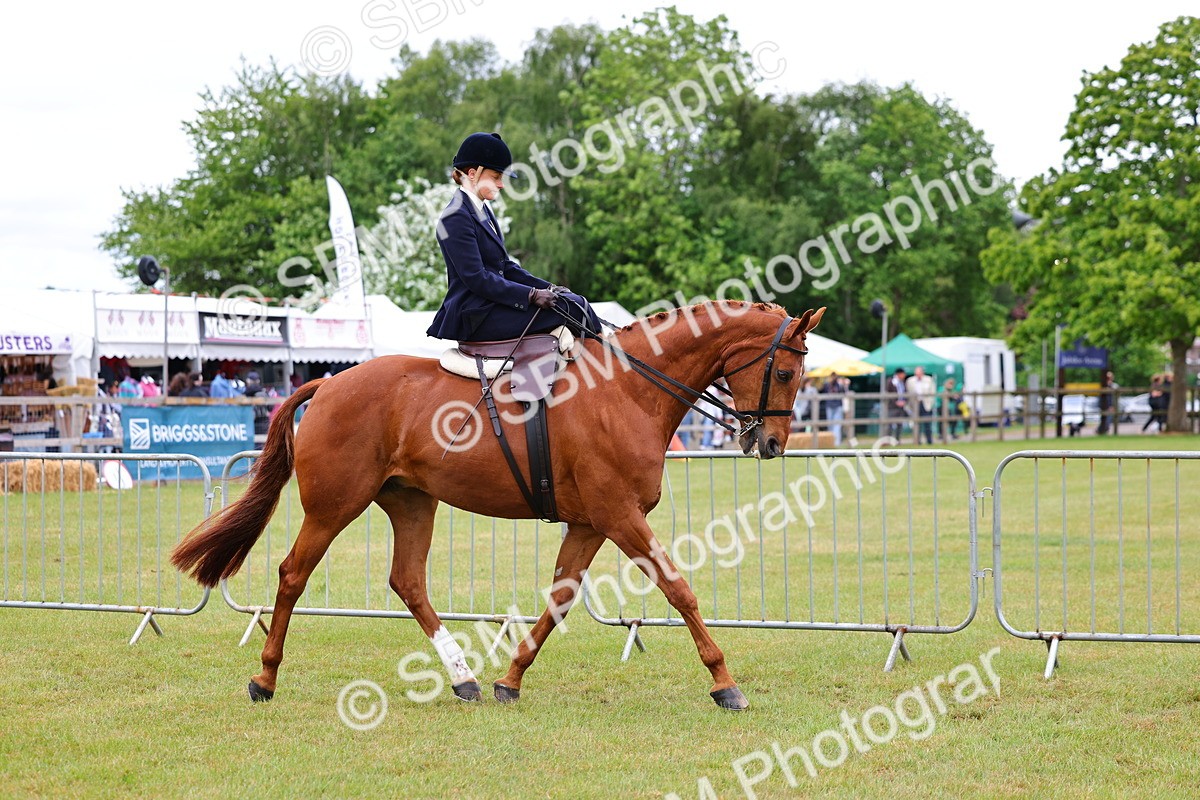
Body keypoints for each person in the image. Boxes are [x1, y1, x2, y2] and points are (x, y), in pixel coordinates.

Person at [426, 132, 602, 343]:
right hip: (475, 315)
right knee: (571, 309)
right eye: (496, 177)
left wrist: (548, 287)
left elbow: (505, 267)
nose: (501, 184)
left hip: (492, 306)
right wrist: (530, 295)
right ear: (472, 174)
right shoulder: (455, 217)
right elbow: (477, 278)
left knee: (576, 301)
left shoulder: (483, 210)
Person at [906, 366, 936, 445]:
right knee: (916, 424)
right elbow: (908, 393)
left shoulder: (928, 380)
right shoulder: (910, 381)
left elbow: (932, 393)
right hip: (915, 404)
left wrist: (930, 403)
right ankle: (917, 441)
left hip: (926, 404)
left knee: (927, 423)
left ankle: (929, 440)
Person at [820, 372, 848, 446]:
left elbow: (844, 393)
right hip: (831, 406)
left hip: (837, 406)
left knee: (836, 425)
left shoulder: (838, 385)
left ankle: (836, 442)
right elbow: (821, 391)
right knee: (832, 425)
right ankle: (833, 442)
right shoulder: (828, 385)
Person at [886, 368, 908, 440]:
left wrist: (904, 401)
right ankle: (888, 440)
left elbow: (906, 393)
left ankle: (897, 440)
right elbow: (888, 393)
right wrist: (896, 402)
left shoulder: (903, 382)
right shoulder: (891, 381)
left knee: (899, 424)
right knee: (890, 424)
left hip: (901, 406)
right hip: (892, 406)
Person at [1096, 370, 1118, 435]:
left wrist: (1112, 405)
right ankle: (1100, 430)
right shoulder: (1104, 385)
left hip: (1108, 405)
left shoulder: (1113, 386)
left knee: (1107, 419)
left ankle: (1101, 431)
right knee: (1105, 419)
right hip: (1104, 405)